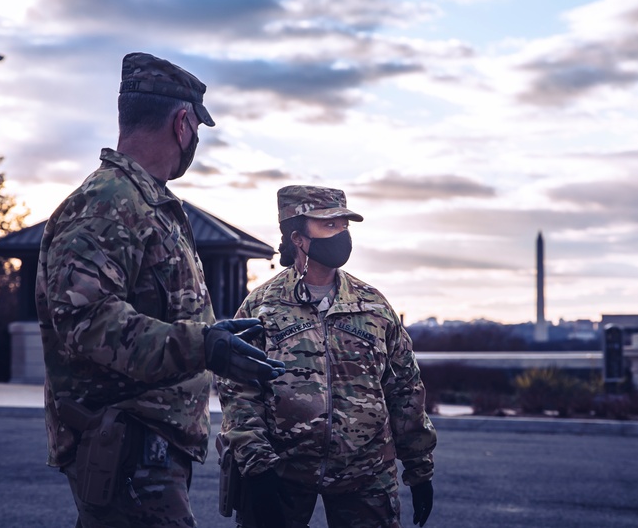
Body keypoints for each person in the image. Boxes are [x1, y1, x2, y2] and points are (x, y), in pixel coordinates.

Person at [35, 51, 283, 528]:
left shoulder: (146, 203)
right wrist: (204, 343)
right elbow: (87, 324)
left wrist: (215, 339)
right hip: (126, 449)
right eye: (196, 131)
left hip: (147, 450)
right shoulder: (107, 203)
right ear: (183, 123)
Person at [217, 185, 437, 528]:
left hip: (365, 476)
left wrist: (420, 468)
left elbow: (405, 387)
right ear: (299, 238)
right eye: (329, 226)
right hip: (282, 473)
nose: (342, 235)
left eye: (344, 226)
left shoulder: (373, 304)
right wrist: (256, 467)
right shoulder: (261, 307)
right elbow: (239, 391)